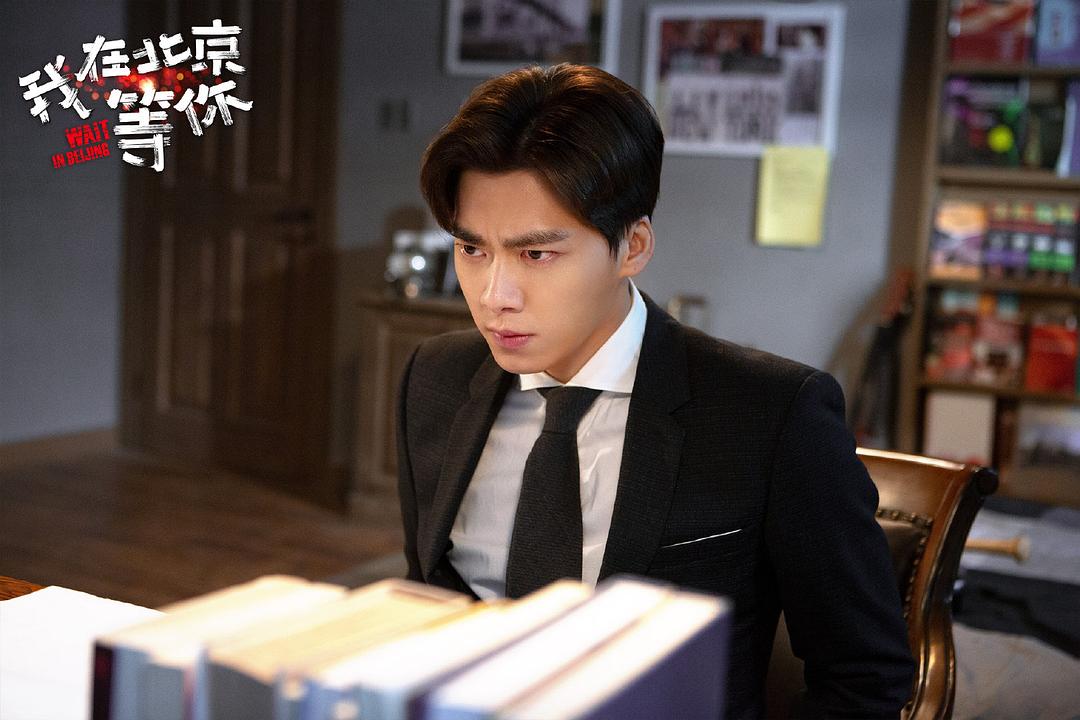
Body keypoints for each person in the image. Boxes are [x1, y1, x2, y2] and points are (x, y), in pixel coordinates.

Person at [396, 63, 914, 718]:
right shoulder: (434, 377)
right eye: (473, 250)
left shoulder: (773, 415)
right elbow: (431, 606)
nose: (494, 295)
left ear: (633, 247)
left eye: (536, 254)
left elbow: (865, 679)